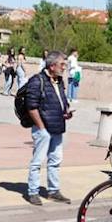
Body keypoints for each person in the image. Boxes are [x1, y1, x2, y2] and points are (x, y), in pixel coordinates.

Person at [24, 51, 72, 205]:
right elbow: (31, 106)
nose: (64, 68)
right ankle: (33, 192)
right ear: (52, 66)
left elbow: (61, 100)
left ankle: (54, 191)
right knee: (37, 161)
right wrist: (41, 128)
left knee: (55, 160)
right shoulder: (37, 81)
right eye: (62, 64)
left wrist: (66, 112)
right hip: (43, 129)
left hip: (57, 127)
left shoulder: (59, 81)